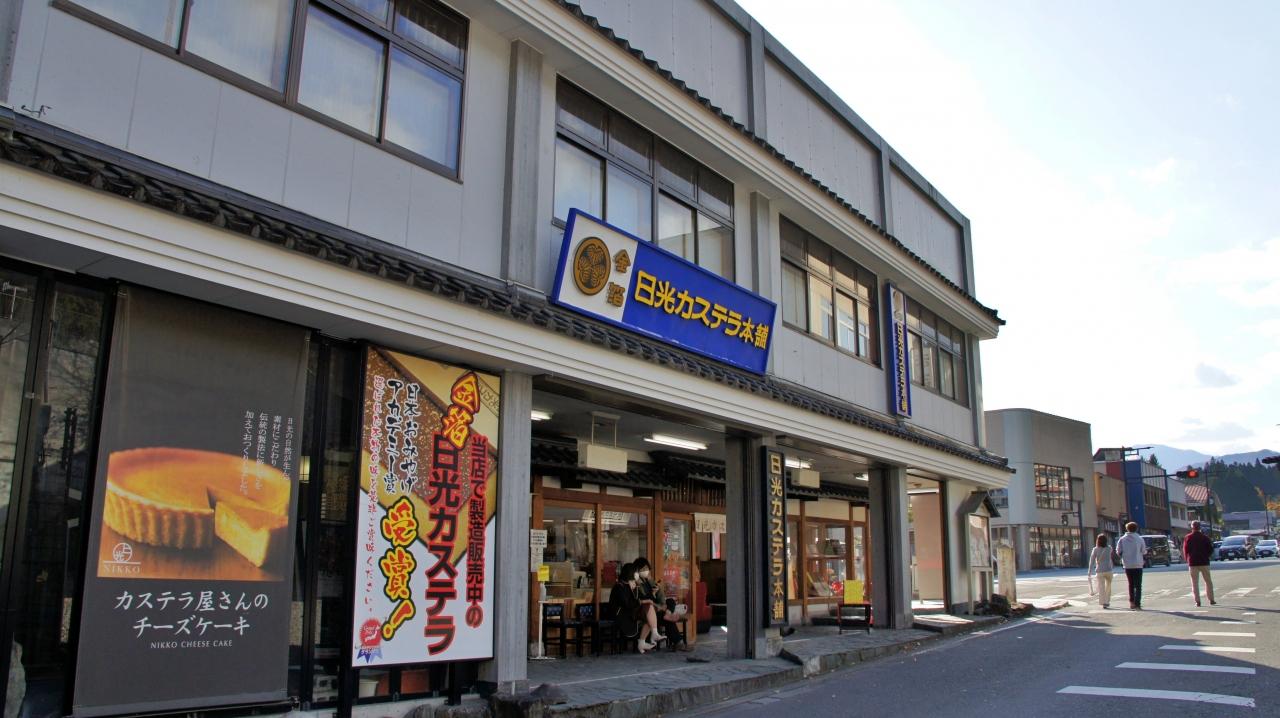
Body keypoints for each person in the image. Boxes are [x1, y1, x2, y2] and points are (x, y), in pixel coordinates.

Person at [633, 557, 686, 650]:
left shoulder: (648, 580)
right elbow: (645, 600)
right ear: (637, 570)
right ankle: (678, 642)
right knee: (666, 619)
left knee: (670, 601)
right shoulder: (637, 583)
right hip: (647, 612)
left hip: (657, 608)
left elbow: (661, 598)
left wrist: (658, 589)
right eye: (643, 569)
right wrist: (653, 594)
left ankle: (668, 613)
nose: (646, 571)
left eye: (647, 568)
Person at [607, 563, 659, 652]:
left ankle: (646, 639)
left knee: (649, 613)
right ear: (630, 573)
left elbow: (643, 598)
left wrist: (652, 593)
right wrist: (637, 596)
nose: (637, 574)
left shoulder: (632, 585)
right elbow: (627, 604)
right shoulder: (619, 586)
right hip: (621, 614)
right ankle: (647, 638)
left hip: (630, 612)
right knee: (647, 610)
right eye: (636, 572)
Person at [1182, 520, 1217, 607]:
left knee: (1195, 583)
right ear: (1200, 527)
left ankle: (1197, 601)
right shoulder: (1205, 538)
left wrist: (1187, 559)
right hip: (1204, 562)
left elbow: (1185, 550)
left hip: (1193, 562)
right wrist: (1206, 556)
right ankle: (1211, 599)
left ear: (1192, 527)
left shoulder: (1188, 537)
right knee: (1208, 581)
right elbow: (1210, 549)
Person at [1115, 522, 1146, 609]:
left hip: (1127, 564)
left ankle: (1132, 602)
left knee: (1131, 584)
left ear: (1127, 529)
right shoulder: (1140, 539)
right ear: (1136, 529)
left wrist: (1123, 556)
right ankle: (1137, 603)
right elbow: (1144, 551)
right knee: (1138, 585)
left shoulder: (1122, 539)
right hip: (1138, 564)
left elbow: (1118, 551)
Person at [1087, 533, 1115, 609]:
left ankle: (1103, 602)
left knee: (1101, 587)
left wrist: (1089, 571)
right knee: (1108, 587)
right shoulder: (1109, 548)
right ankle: (1107, 602)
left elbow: (1091, 561)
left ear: (1097, 541)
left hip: (1100, 571)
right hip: (1109, 570)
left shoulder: (1095, 549)